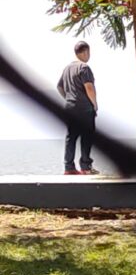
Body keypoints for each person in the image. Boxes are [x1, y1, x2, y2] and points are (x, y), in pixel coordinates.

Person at [57, 41, 99, 175]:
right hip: (84, 107)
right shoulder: (84, 67)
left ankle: (68, 167)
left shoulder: (67, 68)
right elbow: (89, 87)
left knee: (71, 137)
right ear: (86, 52)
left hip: (70, 107)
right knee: (87, 136)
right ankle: (86, 167)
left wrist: (68, 98)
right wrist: (94, 104)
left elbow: (59, 87)